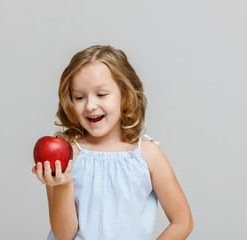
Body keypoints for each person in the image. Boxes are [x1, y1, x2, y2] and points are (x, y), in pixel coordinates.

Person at [32, 45, 193, 240]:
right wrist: (62, 184)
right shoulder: (67, 155)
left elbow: (182, 221)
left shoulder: (147, 155)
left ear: (125, 95)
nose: (90, 106)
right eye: (79, 97)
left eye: (101, 95)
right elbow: (63, 234)